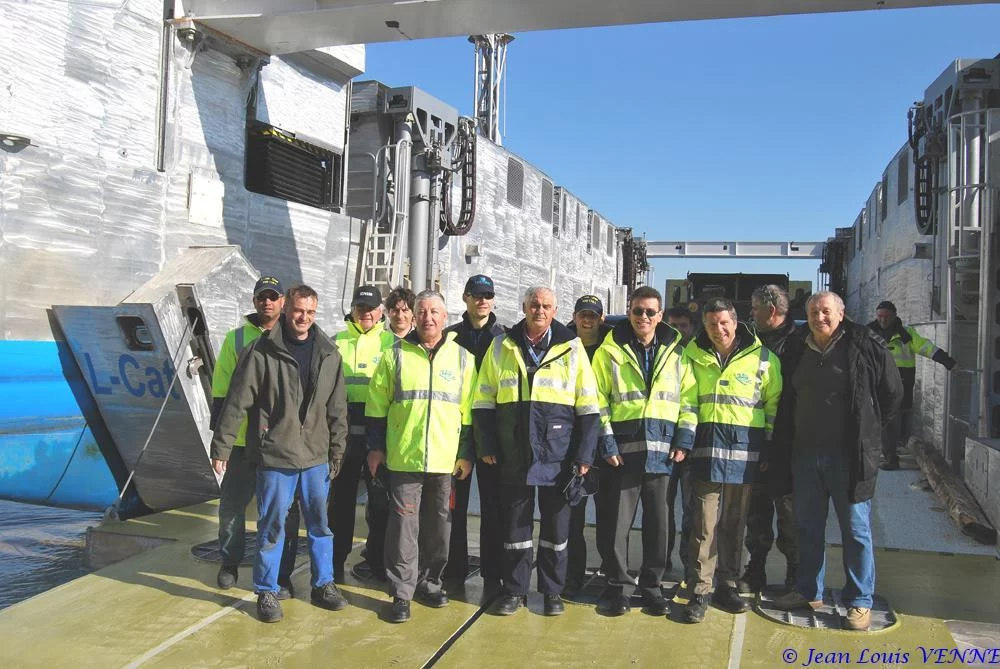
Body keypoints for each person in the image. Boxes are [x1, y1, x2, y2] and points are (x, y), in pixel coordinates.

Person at [211, 285, 350, 623]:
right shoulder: (261, 352)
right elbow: (237, 402)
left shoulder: (329, 353)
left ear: (315, 313)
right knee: (272, 526)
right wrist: (222, 447)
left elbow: (337, 409)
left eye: (311, 312)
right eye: (299, 311)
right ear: (288, 310)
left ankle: (323, 585)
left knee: (320, 526)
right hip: (276, 455)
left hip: (315, 457)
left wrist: (337, 451)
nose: (304, 318)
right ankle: (267, 589)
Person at [773, 292, 903, 632]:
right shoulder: (796, 346)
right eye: (814, 312)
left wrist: (870, 435)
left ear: (841, 314)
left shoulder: (864, 343)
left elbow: (892, 394)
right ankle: (808, 590)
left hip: (848, 457)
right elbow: (786, 396)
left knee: (855, 530)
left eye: (826, 311)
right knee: (807, 526)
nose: (820, 317)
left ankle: (860, 601)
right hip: (804, 454)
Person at [473, 286, 600, 616]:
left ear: (555, 311)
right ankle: (514, 590)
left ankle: (552, 590)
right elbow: (483, 398)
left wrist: (585, 456)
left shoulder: (571, 348)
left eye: (545, 306)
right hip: (514, 450)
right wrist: (486, 444)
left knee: (557, 529)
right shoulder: (502, 344)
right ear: (524, 307)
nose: (539, 311)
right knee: (515, 527)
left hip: (558, 454)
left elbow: (588, 407)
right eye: (533, 305)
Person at [365, 290, 476, 623]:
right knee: (403, 527)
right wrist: (375, 448)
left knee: (438, 526)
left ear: (445, 317)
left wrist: (466, 453)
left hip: (444, 461)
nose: (428, 318)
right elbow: (376, 406)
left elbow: (469, 412)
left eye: (434, 312)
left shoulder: (462, 359)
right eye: (422, 312)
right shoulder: (394, 356)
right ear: (413, 316)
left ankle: (429, 581)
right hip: (404, 458)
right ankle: (401, 592)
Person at [592, 287, 697, 616]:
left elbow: (689, 400)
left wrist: (683, 439)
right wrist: (606, 442)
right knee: (616, 526)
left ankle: (652, 587)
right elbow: (597, 401)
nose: (643, 318)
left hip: (663, 453)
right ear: (629, 311)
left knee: (659, 524)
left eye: (650, 312)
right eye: (637, 311)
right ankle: (619, 587)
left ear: (660, 315)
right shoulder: (609, 351)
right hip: (621, 453)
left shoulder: (679, 352)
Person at [681, 298, 782, 624]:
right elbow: (686, 402)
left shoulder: (764, 359)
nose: (718, 329)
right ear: (704, 325)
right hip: (705, 451)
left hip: (745, 454)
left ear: (736, 322)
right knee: (703, 526)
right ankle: (700, 590)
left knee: (734, 525)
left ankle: (727, 584)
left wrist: (768, 446)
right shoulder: (691, 356)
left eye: (724, 323)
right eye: (711, 324)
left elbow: (773, 405)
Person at [210, 276, 296, 598]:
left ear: (282, 302)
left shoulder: (293, 338)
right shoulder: (235, 340)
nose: (267, 303)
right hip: (243, 442)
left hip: (278, 443)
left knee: (279, 511)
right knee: (231, 506)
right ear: (254, 301)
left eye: (273, 297)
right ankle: (230, 561)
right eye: (262, 297)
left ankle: (280, 573)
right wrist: (222, 442)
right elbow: (221, 394)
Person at [442, 274, 506, 594]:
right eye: (476, 295)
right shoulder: (449, 337)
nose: (482, 300)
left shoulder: (505, 339)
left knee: (494, 509)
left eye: (488, 295)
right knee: (454, 508)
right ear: (465, 298)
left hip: (493, 437)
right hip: (458, 435)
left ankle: (493, 575)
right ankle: (452, 570)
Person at [736, 285, 801, 594]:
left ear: (771, 311)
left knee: (790, 515)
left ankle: (794, 574)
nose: (750, 314)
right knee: (757, 514)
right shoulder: (749, 341)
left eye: (754, 308)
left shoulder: (800, 343)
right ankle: (755, 569)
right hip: (757, 441)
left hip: (790, 446)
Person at [331, 285, 396, 583]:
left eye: (371, 308)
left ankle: (379, 560)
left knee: (380, 502)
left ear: (380, 311)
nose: (366, 313)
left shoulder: (392, 344)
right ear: (353, 310)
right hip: (344, 436)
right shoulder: (336, 342)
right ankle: (335, 560)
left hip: (377, 434)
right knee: (341, 503)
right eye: (361, 308)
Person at [867, 300, 957, 470]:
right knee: (882, 422)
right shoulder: (868, 333)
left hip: (899, 385)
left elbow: (926, 347)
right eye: (880, 316)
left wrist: (948, 362)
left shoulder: (906, 335)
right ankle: (888, 454)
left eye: (886, 316)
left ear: (894, 316)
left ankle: (891, 458)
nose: (883, 320)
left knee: (889, 422)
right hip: (877, 384)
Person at [563, 294, 612, 596]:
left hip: (604, 446)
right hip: (573, 445)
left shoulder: (613, 349)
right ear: (575, 316)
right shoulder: (563, 347)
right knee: (573, 520)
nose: (587, 320)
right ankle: (572, 578)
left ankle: (610, 577)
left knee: (608, 519)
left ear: (601, 319)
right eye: (583, 314)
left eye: (593, 316)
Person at [663, 305, 697, 574]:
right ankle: (661, 561)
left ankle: (689, 563)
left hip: (692, 446)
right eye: (672, 325)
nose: (677, 331)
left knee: (692, 511)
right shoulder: (661, 354)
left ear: (692, 328)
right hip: (661, 443)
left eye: (683, 326)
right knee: (662, 510)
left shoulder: (698, 356)